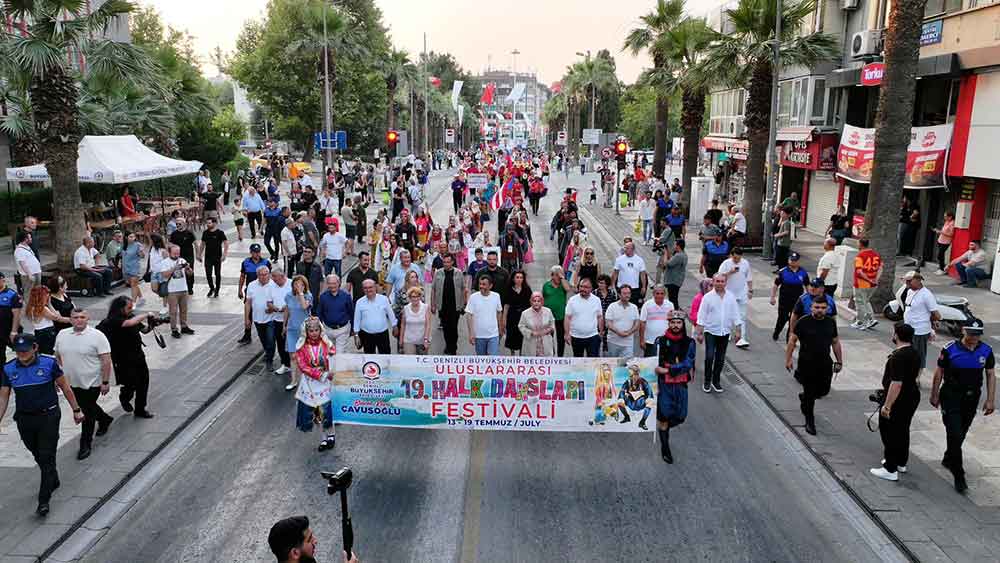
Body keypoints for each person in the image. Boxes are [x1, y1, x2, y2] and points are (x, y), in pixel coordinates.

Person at [0, 334, 84, 516]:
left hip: (48, 416)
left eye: (25, 350)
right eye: (18, 351)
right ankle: (52, 476)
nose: (21, 354)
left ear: (35, 347)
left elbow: (66, 387)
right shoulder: (8, 369)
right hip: (24, 419)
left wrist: (76, 409)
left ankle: (43, 501)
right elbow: (3, 396)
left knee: (46, 456)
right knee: (36, 452)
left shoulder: (49, 363)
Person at [930, 322, 996, 493]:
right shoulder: (950, 349)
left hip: (971, 398)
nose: (974, 338)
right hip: (951, 395)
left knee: (962, 431)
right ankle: (959, 474)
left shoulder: (986, 351)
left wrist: (990, 400)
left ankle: (948, 457)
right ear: (963, 331)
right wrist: (934, 394)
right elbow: (939, 372)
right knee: (955, 432)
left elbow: (990, 375)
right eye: (971, 334)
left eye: (977, 334)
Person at [54, 308, 112, 460]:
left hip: (92, 382)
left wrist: (105, 381)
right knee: (89, 407)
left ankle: (85, 444)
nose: (79, 320)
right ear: (70, 319)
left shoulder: (97, 336)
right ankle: (105, 419)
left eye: (82, 317)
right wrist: (59, 376)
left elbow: (106, 360)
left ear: (87, 319)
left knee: (86, 411)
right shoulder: (62, 334)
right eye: (75, 317)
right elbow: (58, 355)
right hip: (71, 383)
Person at [870, 323, 922, 482]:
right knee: (902, 429)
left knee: (890, 431)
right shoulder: (914, 352)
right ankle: (901, 461)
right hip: (912, 395)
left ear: (896, 335)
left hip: (899, 398)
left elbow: (896, 383)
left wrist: (887, 405)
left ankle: (890, 468)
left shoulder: (898, 357)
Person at [785, 298, 843, 435]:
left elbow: (835, 342)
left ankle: (805, 397)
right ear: (811, 308)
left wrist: (839, 361)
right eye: (817, 307)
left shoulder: (830, 322)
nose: (820, 310)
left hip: (825, 363)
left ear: (827, 309)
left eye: (823, 307)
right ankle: (809, 421)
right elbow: (792, 341)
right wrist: (788, 359)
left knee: (823, 391)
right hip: (807, 364)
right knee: (810, 394)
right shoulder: (803, 322)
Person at [100, 296, 155, 418]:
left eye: (132, 307)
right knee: (131, 383)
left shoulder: (131, 316)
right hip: (123, 358)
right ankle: (124, 397)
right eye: (129, 307)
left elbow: (144, 330)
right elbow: (129, 323)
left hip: (138, 355)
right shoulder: (113, 320)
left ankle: (140, 409)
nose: (131, 310)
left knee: (143, 381)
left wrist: (153, 325)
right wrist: (146, 314)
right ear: (120, 308)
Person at [653, 311, 696, 463]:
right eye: (673, 322)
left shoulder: (690, 342)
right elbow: (654, 363)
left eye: (678, 323)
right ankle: (665, 447)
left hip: (681, 384)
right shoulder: (660, 341)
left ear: (683, 324)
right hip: (664, 385)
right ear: (669, 323)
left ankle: (663, 428)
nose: (675, 325)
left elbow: (688, 363)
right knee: (664, 415)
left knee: (680, 416)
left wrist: (668, 370)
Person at [293, 318, 337, 452]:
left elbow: (333, 358)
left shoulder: (326, 344)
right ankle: (323, 438)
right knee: (317, 413)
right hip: (311, 385)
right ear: (306, 332)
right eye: (310, 330)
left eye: (316, 330)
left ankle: (332, 435)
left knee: (328, 412)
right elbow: (303, 366)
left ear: (320, 330)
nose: (313, 333)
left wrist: (331, 369)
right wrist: (321, 375)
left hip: (325, 385)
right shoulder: (301, 347)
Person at [696, 273, 740, 393]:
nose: (720, 284)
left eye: (722, 281)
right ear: (713, 282)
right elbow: (701, 316)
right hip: (710, 331)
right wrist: (699, 333)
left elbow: (736, 313)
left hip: (724, 332)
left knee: (720, 358)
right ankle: (707, 380)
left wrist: (738, 330)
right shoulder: (708, 297)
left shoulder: (730, 297)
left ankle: (716, 381)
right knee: (709, 356)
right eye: (717, 281)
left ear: (725, 283)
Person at [901, 271, 940, 377]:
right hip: (909, 327)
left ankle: (917, 377)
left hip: (920, 330)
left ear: (918, 281)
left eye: (909, 281)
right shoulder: (910, 291)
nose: (907, 284)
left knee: (919, 354)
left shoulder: (926, 295)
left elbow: (937, 315)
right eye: (906, 282)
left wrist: (931, 322)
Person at [431, 253, 466, 355]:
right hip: (443, 306)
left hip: (455, 306)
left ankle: (453, 348)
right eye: (444, 262)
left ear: (452, 262)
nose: (446, 264)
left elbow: (464, 288)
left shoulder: (458, 273)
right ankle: (448, 346)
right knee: (446, 328)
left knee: (453, 328)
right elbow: (433, 289)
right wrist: (433, 304)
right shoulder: (438, 273)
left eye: (448, 262)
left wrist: (464, 302)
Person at [245, 266, 279, 371]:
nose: (264, 277)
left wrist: (272, 309)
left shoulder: (274, 285)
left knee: (270, 340)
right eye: (261, 275)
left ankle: (269, 361)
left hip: (271, 318)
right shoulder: (251, 285)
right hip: (257, 318)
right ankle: (268, 353)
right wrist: (246, 318)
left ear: (269, 274)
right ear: (257, 275)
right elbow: (248, 303)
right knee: (263, 339)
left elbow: (279, 301)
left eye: (266, 274)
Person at [283, 275, 313, 390]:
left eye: (301, 284)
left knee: (304, 357)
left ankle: (304, 381)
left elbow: (304, 306)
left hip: (304, 331)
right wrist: (284, 325)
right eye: (296, 284)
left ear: (304, 285)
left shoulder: (308, 296)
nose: (298, 286)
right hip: (291, 329)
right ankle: (294, 381)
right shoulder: (289, 296)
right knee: (293, 356)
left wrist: (300, 293)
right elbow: (287, 310)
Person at [718, 247, 752, 349]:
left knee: (742, 316)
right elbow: (719, 278)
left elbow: (749, 277)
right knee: (728, 314)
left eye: (739, 258)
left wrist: (750, 290)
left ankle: (741, 337)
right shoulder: (726, 264)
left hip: (742, 292)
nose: (737, 260)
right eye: (735, 258)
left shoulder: (745, 263)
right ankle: (726, 333)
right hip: (729, 293)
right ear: (731, 255)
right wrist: (730, 272)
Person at [770, 252, 809, 341]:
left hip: (797, 301)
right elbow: (776, 285)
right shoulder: (783, 272)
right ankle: (777, 332)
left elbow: (807, 286)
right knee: (782, 318)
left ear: (799, 261)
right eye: (791, 260)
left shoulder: (803, 273)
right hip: (784, 300)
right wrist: (772, 297)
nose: (793, 262)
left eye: (795, 261)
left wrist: (810, 298)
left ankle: (789, 338)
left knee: (794, 319)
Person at [160, 245, 194, 339]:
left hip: (183, 289)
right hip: (172, 291)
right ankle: (174, 329)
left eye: (178, 253)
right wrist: (174, 268)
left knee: (184, 310)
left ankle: (184, 326)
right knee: (173, 311)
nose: (177, 255)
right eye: (175, 253)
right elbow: (164, 275)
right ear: (169, 252)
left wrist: (188, 268)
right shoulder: (165, 262)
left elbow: (190, 274)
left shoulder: (182, 260)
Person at [21, 286, 67, 355]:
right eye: (46, 295)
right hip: (47, 333)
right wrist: (49, 304)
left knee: (42, 353)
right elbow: (57, 317)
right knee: (50, 353)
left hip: (38, 332)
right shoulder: (43, 309)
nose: (48, 297)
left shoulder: (30, 307)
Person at [564, 278, 604, 357]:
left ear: (591, 288)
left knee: (593, 361)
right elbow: (567, 318)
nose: (582, 289)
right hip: (576, 337)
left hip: (593, 336)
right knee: (578, 362)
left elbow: (599, 317)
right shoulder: (572, 300)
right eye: (581, 286)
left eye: (586, 287)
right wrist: (567, 334)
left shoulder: (596, 300)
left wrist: (601, 332)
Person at [353, 279, 395, 354]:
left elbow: (391, 314)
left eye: (370, 287)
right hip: (367, 335)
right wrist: (356, 335)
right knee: (369, 358)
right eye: (365, 288)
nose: (368, 290)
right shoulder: (359, 302)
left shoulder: (384, 299)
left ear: (375, 287)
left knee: (385, 356)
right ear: (363, 289)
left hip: (383, 334)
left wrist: (395, 326)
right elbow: (357, 320)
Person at [315, 274, 353, 354]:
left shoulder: (346, 296)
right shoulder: (323, 297)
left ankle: (339, 366)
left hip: (342, 330)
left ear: (338, 283)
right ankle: (331, 367)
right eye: (330, 283)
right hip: (327, 329)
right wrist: (319, 328)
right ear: (327, 284)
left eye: (334, 283)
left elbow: (351, 312)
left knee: (339, 353)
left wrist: (353, 329)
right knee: (330, 353)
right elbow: (319, 313)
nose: (332, 285)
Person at [466, 276, 503, 355]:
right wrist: (471, 333)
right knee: (482, 360)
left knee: (493, 360)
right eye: (480, 284)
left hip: (493, 335)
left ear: (490, 286)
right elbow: (469, 315)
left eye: (484, 284)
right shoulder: (473, 297)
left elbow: (499, 312)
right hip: (479, 336)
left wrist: (500, 328)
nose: (481, 286)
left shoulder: (496, 296)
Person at [852, 238, 882, 330]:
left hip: (862, 283)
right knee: (866, 301)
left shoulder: (860, 256)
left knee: (859, 302)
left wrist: (869, 280)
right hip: (873, 285)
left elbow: (860, 271)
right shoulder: (876, 255)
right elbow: (880, 268)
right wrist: (876, 279)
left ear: (860, 244)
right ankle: (871, 319)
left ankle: (861, 322)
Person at [543, 266, 571, 357]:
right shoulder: (546, 285)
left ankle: (560, 356)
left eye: (561, 275)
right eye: (557, 275)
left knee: (560, 337)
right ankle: (551, 354)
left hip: (560, 315)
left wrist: (562, 277)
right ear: (552, 276)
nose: (559, 277)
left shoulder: (563, 284)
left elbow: (568, 289)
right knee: (549, 337)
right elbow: (542, 299)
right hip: (548, 316)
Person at [639, 285, 674, 358]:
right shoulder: (647, 305)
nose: (659, 296)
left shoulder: (670, 305)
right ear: (653, 294)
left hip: (665, 340)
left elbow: (672, 322)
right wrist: (642, 340)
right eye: (657, 293)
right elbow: (642, 322)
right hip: (650, 341)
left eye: (662, 293)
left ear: (665, 294)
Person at [198, 216, 228, 298]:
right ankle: (212, 288)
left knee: (217, 274)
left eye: (209, 223)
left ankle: (217, 290)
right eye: (207, 223)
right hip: (208, 257)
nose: (207, 225)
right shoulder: (205, 233)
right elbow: (202, 244)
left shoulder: (220, 233)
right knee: (208, 274)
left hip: (217, 257)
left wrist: (224, 255)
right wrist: (199, 254)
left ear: (214, 223)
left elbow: (226, 243)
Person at [616, 360, 653, 429]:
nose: (633, 376)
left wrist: (645, 396)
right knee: (619, 402)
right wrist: (622, 397)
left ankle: (642, 422)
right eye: (632, 375)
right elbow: (622, 392)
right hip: (630, 402)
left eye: (635, 374)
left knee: (650, 401)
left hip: (640, 402)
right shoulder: (627, 382)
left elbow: (649, 392)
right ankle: (627, 417)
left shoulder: (643, 382)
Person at [519, 291, 557, 357]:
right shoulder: (525, 313)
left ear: (542, 302)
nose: (536, 303)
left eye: (538, 301)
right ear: (531, 302)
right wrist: (531, 333)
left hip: (545, 343)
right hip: (531, 343)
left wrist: (547, 330)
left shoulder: (548, 311)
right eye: (534, 301)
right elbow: (521, 326)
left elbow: (552, 324)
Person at [605, 286, 639, 358]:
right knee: (613, 364)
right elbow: (608, 323)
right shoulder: (612, 306)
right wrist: (619, 332)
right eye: (624, 293)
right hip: (613, 342)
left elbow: (637, 324)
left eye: (629, 293)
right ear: (619, 295)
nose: (627, 295)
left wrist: (629, 332)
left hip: (628, 343)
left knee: (626, 365)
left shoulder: (634, 307)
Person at [502, 271, 531, 355]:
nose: (519, 279)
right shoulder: (508, 289)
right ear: (513, 279)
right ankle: (512, 355)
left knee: (522, 337)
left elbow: (530, 304)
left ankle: (521, 355)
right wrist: (504, 320)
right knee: (512, 336)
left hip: (524, 316)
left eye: (521, 277)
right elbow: (506, 306)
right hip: (512, 316)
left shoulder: (527, 289)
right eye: (517, 277)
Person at [611, 241, 647, 308]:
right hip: (621, 288)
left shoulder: (639, 260)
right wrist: (612, 285)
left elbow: (642, 274)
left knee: (633, 306)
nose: (625, 249)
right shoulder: (619, 259)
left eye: (627, 248)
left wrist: (644, 286)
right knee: (621, 306)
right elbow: (615, 273)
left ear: (632, 249)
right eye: (625, 248)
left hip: (634, 288)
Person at [399, 286, 431, 354]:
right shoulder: (405, 308)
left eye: (417, 296)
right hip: (408, 340)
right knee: (410, 361)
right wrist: (401, 340)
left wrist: (426, 339)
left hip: (422, 340)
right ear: (409, 298)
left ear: (420, 297)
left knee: (422, 362)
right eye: (413, 297)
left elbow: (428, 324)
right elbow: (403, 325)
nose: (415, 299)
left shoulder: (426, 307)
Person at [168, 218, 197, 295]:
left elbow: (195, 243)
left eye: (179, 224)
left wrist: (198, 254)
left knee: (189, 270)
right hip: (178, 256)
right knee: (179, 272)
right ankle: (182, 287)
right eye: (176, 224)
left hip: (189, 255)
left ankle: (190, 287)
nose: (178, 225)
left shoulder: (189, 233)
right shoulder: (174, 234)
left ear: (184, 224)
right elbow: (170, 244)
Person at [14, 231, 41, 298]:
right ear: (25, 239)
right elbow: (22, 263)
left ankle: (37, 306)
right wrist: (29, 274)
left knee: (37, 291)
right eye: (30, 237)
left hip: (36, 272)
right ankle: (29, 307)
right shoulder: (19, 250)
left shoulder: (27, 247)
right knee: (28, 292)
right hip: (29, 275)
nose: (31, 238)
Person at [121, 232, 145, 305]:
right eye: (130, 237)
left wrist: (141, 251)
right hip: (126, 268)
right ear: (126, 237)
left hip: (135, 268)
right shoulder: (124, 245)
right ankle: (141, 298)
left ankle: (133, 303)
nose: (133, 238)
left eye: (133, 237)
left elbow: (142, 256)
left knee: (133, 285)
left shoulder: (137, 245)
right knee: (134, 285)